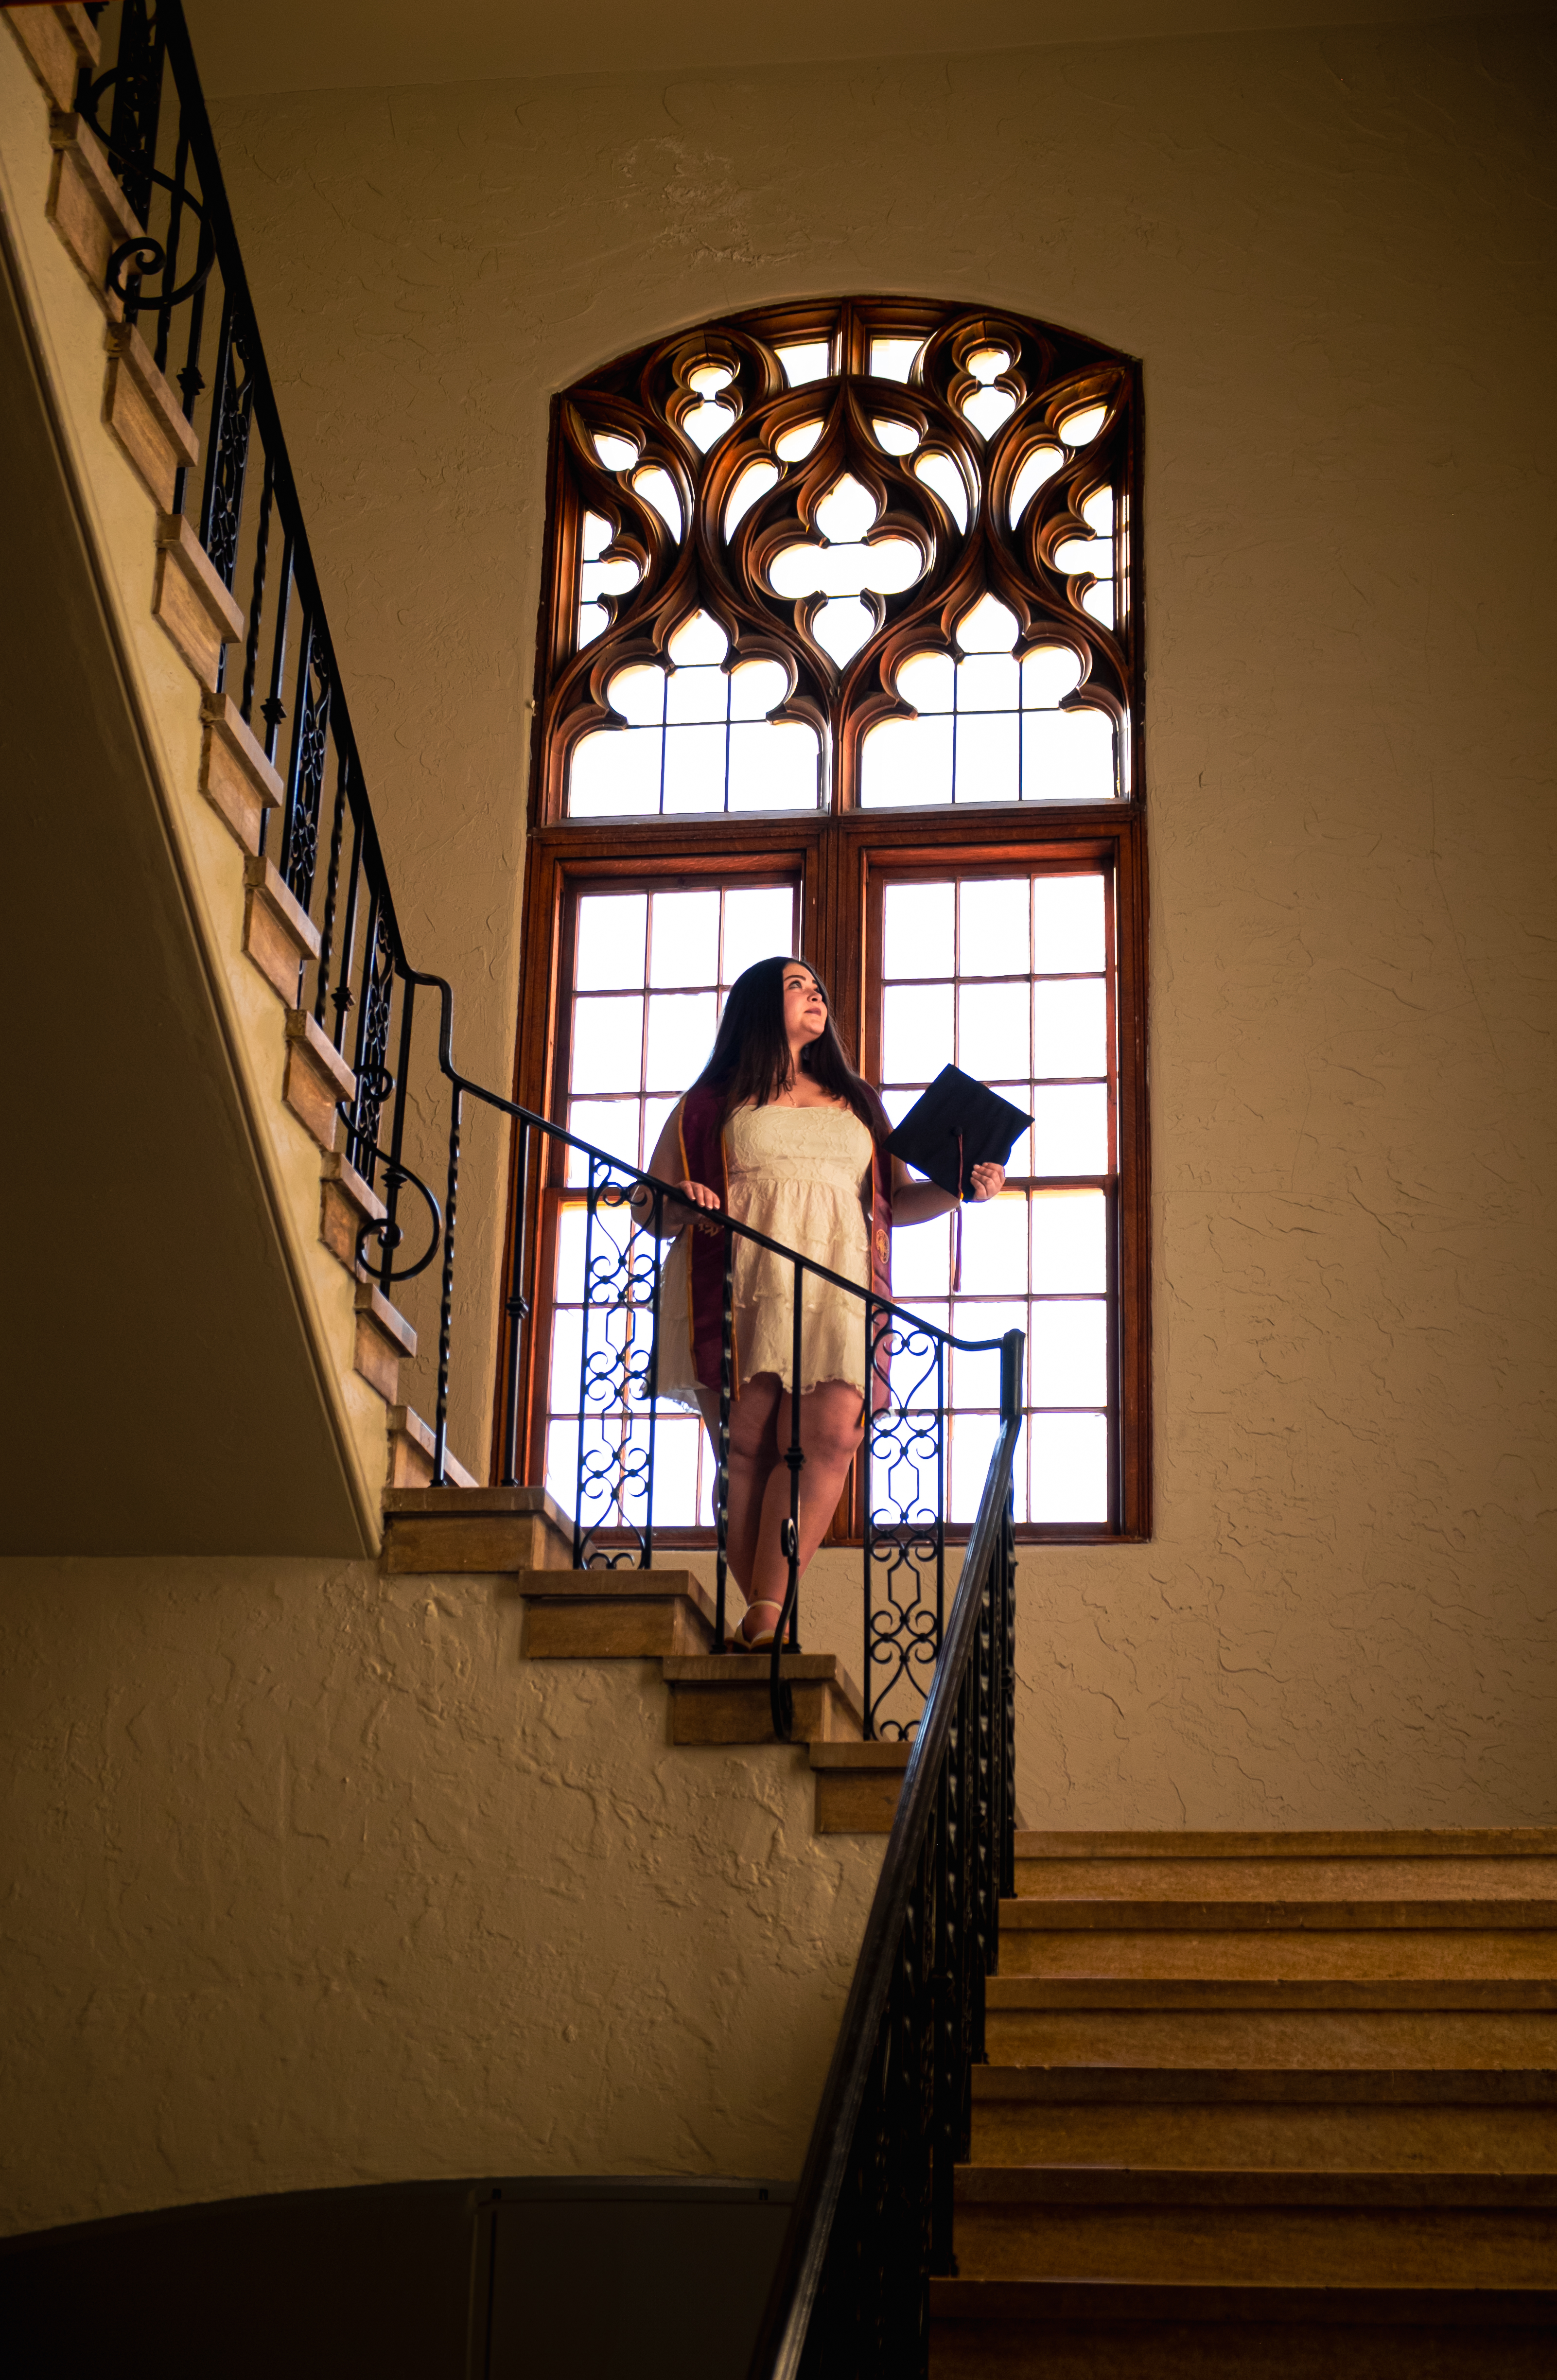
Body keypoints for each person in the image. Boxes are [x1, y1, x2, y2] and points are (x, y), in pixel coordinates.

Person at [631, 956, 1004, 1649]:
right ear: (756, 1006)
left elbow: (893, 1203)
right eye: (796, 986)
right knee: (748, 1451)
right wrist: (680, 1201)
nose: (815, 995)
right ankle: (766, 1617)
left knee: (829, 1440)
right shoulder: (709, 1101)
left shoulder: (858, 1101)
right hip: (740, 1279)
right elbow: (647, 1206)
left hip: (839, 1285)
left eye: (818, 989)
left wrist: (961, 1191)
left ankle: (765, 1611)